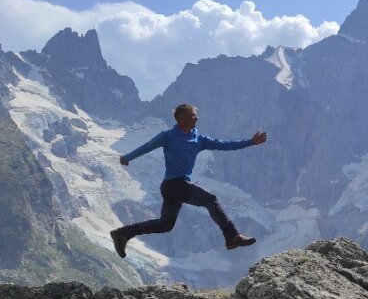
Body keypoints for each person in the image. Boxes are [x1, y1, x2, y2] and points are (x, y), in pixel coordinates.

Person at [110, 104, 267, 257]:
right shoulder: (168, 136)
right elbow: (147, 147)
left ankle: (122, 233)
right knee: (210, 199)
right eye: (193, 115)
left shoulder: (199, 139)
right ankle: (232, 236)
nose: (197, 118)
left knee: (165, 225)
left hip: (176, 187)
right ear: (181, 118)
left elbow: (224, 145)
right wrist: (127, 157)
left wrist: (250, 142)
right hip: (173, 185)